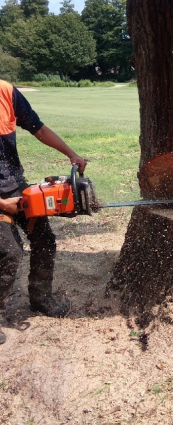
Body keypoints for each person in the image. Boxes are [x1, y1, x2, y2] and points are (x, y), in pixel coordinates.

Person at [0, 79, 87, 345]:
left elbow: (38, 129)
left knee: (44, 240)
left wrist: (71, 154)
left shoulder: (6, 91)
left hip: (14, 185)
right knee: (8, 252)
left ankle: (41, 298)